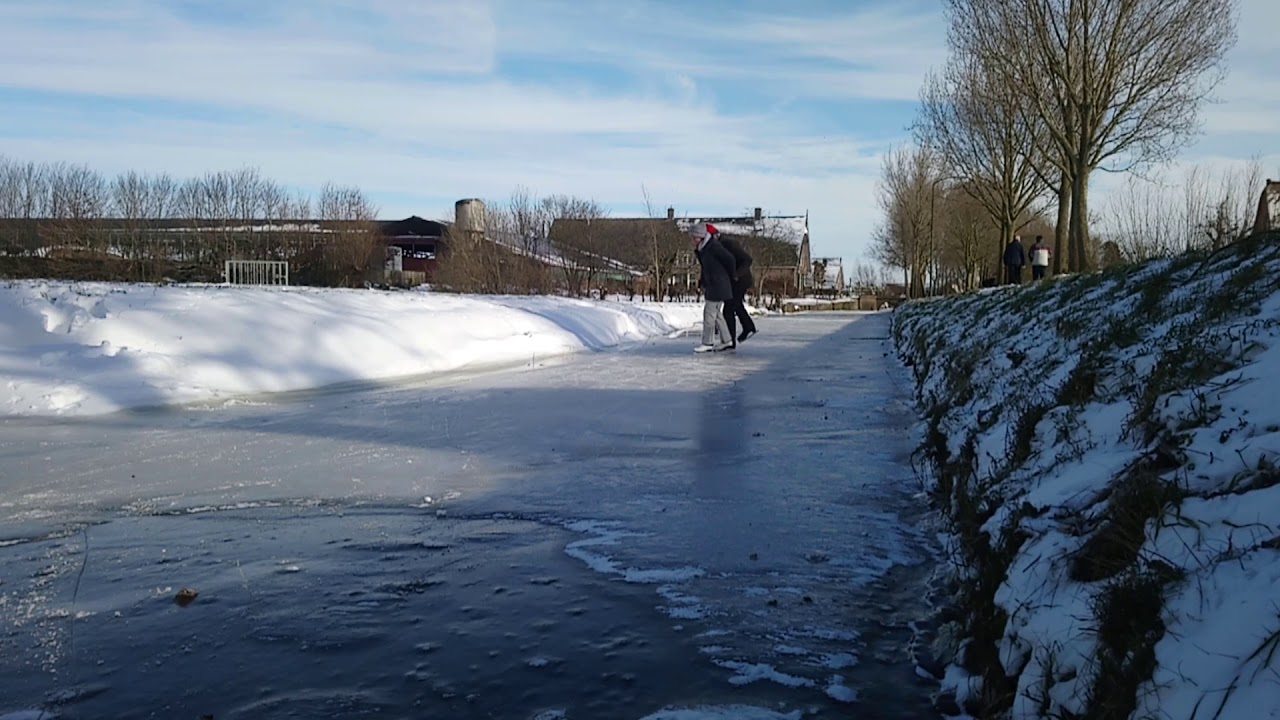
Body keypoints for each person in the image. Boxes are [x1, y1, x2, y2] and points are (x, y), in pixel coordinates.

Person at [706, 224, 757, 345]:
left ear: (715, 235)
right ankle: (748, 327)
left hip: (740, 280)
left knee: (729, 309)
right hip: (731, 281)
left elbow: (747, 260)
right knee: (736, 305)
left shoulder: (728, 244)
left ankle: (730, 341)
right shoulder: (714, 247)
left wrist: (736, 274)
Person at [689, 222, 736, 352]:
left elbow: (730, 259)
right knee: (716, 314)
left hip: (718, 285)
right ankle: (727, 340)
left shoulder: (713, 246)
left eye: (694, 237)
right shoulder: (703, 248)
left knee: (709, 314)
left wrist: (731, 276)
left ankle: (707, 343)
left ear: (701, 236)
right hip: (714, 284)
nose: (693, 240)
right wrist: (702, 282)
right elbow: (706, 268)